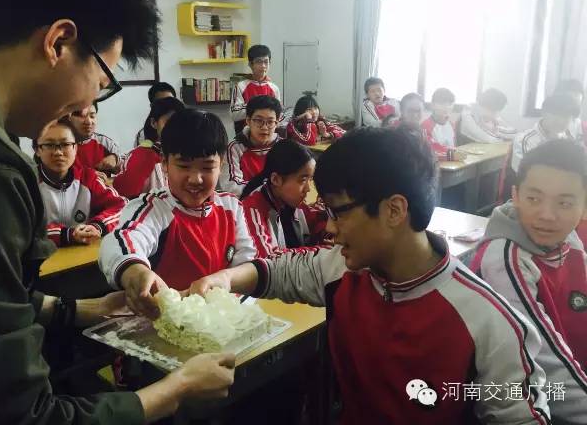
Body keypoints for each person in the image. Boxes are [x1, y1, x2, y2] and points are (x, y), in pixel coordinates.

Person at [0, 0, 234, 423]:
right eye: (102, 84)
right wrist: (179, 388)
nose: (88, 108)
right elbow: (20, 415)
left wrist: (90, 309)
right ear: (58, 42)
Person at [188, 126, 550, 424]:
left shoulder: (490, 324)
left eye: (339, 212)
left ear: (394, 210)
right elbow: (281, 270)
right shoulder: (344, 270)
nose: (330, 227)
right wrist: (225, 279)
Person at [470, 139, 587, 423]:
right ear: (516, 195)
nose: (547, 215)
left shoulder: (568, 238)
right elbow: (543, 359)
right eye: (534, 198)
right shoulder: (505, 259)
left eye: (564, 203)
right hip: (534, 398)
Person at [100, 109, 257, 313]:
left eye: (207, 167)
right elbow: (121, 241)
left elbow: (247, 263)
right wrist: (134, 271)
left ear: (221, 164)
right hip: (166, 320)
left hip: (220, 318)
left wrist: (227, 279)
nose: (195, 179)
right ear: (165, 164)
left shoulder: (231, 207)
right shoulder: (154, 208)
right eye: (184, 166)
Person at [34, 119, 126, 247]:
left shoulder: (88, 178)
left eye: (65, 144)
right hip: (43, 256)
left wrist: (97, 226)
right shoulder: (28, 183)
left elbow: (121, 206)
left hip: (85, 253)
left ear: (75, 148)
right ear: (37, 150)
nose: (58, 152)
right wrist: (67, 235)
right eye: (49, 145)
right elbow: (22, 228)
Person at [240, 139, 328, 257]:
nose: (308, 189)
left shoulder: (291, 201)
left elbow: (314, 220)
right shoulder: (252, 210)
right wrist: (321, 251)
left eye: (310, 179)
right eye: (303, 180)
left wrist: (327, 234)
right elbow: (271, 260)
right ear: (276, 179)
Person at [114, 97, 185, 199]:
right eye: (169, 122)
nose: (175, 128)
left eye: (180, 122)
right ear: (154, 123)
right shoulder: (142, 153)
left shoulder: (189, 153)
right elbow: (124, 191)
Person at [220, 95, 282, 196]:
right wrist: (269, 190)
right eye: (258, 120)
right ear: (248, 121)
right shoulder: (235, 148)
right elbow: (231, 186)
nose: (264, 127)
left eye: (270, 122)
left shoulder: (283, 147)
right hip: (245, 203)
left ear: (277, 123)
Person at [511, 93, 578, 172]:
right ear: (544, 113)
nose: (561, 121)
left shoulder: (568, 137)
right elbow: (524, 173)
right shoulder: (525, 140)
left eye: (566, 116)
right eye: (556, 115)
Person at [230, 44, 281, 134]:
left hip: (268, 134)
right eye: (259, 62)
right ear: (250, 64)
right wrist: (259, 105)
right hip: (246, 135)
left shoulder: (274, 88)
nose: (263, 66)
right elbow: (234, 114)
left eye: (266, 62)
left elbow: (278, 115)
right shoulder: (241, 86)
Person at [70, 102, 121, 174]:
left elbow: (126, 171)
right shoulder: (62, 144)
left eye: (92, 116)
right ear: (69, 118)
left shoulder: (105, 143)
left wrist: (116, 160)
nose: (88, 122)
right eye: (82, 116)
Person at [421, 87, 467, 161]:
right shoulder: (425, 126)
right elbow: (432, 151)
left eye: (450, 104)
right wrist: (452, 155)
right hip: (436, 165)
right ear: (433, 105)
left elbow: (454, 147)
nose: (446, 108)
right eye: (442, 104)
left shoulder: (451, 124)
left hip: (454, 164)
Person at [133, 81, 177, 147]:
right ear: (152, 106)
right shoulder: (142, 136)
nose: (167, 105)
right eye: (161, 103)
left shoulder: (186, 128)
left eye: (170, 101)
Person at [555, 79, 586, 145]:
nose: (575, 97)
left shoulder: (580, 124)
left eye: (577, 94)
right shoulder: (553, 122)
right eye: (573, 93)